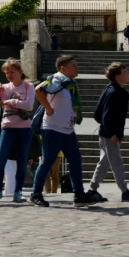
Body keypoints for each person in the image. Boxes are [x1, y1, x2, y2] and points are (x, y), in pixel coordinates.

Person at [29, 55, 98, 208]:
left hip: (67, 130)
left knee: (75, 161)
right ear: (63, 68)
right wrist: (48, 109)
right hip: (53, 129)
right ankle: (35, 194)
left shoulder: (69, 83)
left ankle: (79, 194)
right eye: (74, 65)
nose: (77, 68)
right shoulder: (56, 79)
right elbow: (38, 90)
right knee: (47, 162)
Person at [0, 59, 37, 203]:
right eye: (6, 73)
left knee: (22, 159)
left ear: (20, 72)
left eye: (12, 72)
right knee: (1, 157)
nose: (9, 75)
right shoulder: (5, 87)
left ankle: (18, 192)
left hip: (24, 128)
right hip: (8, 127)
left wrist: (9, 102)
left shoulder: (28, 86)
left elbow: (29, 105)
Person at [87, 62, 129, 203]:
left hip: (107, 132)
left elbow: (98, 114)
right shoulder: (115, 93)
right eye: (125, 71)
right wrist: (113, 133)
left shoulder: (111, 90)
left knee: (104, 162)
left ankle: (92, 190)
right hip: (110, 134)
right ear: (117, 77)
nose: (128, 73)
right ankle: (125, 191)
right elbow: (106, 116)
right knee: (116, 162)